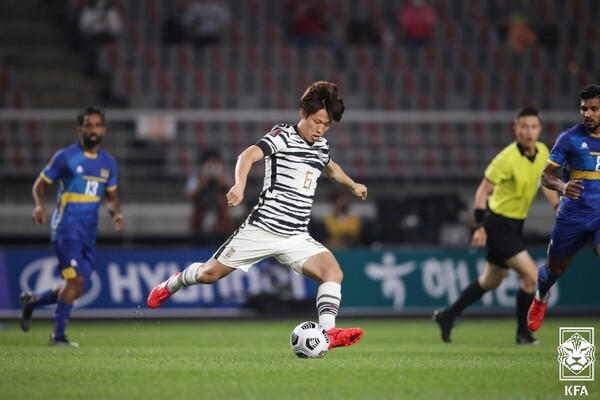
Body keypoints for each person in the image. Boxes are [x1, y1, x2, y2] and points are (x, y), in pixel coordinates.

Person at [147, 81, 367, 349]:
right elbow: (247, 155)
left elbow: (331, 169)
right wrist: (239, 185)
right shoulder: (283, 135)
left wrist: (352, 185)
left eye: (327, 125)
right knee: (208, 275)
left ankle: (329, 332)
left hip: (296, 235)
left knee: (333, 273)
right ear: (303, 114)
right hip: (262, 229)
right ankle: (172, 283)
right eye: (317, 122)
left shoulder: (320, 146)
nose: (320, 129)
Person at [433, 107, 559, 345]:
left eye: (533, 127)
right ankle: (523, 334)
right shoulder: (505, 159)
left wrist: (557, 205)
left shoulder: (543, 151)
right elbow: (482, 193)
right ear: (516, 129)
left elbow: (546, 183)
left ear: (540, 129)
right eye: (524, 126)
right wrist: (480, 226)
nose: (529, 132)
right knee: (531, 277)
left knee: (491, 281)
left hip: (516, 223)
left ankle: (447, 315)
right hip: (498, 222)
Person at [21, 106, 124, 347]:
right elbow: (39, 184)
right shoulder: (66, 157)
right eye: (88, 125)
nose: (93, 130)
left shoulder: (109, 163)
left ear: (104, 130)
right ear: (80, 129)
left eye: (97, 125)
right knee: (75, 283)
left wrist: (116, 214)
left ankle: (33, 301)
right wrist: (39, 206)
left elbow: (110, 198)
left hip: (88, 233)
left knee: (77, 288)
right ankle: (57, 336)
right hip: (65, 230)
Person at [528, 84, 600, 332]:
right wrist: (562, 186)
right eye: (584, 109)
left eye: (594, 109)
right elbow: (545, 176)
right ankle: (541, 296)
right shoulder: (569, 139)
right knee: (553, 270)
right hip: (573, 215)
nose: (587, 114)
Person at [185, 149, 233, 243]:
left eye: (215, 163)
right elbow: (190, 195)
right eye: (209, 164)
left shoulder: (224, 176)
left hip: (222, 218)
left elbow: (234, 192)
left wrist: (221, 181)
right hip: (201, 212)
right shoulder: (196, 177)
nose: (212, 167)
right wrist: (203, 183)